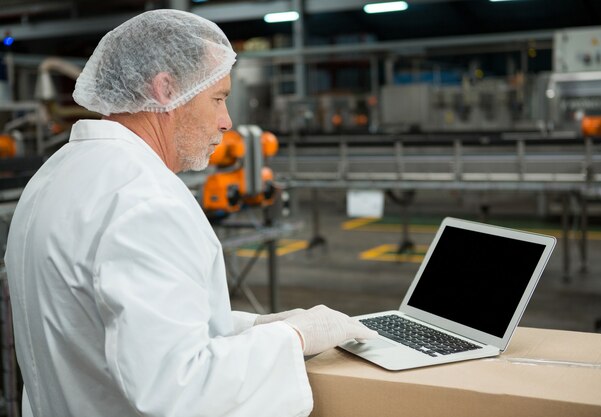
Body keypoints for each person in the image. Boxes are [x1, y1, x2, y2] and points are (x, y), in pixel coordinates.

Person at [4, 9, 377, 417]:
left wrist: (254, 328)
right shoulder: (144, 201)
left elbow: (121, 327)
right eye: (217, 98)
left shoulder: (57, 174)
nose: (226, 122)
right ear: (166, 90)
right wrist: (294, 338)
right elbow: (179, 389)